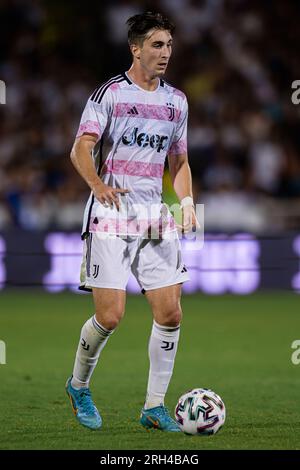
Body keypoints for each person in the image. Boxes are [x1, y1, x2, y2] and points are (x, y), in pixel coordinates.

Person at [65, 11, 199, 432]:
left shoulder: (177, 101)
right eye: (157, 45)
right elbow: (80, 149)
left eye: (169, 46)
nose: (165, 53)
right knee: (110, 316)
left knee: (171, 313)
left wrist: (188, 202)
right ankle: (78, 384)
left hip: (155, 215)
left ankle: (154, 407)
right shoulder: (110, 94)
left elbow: (179, 159)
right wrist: (98, 185)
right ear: (135, 48)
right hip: (111, 212)